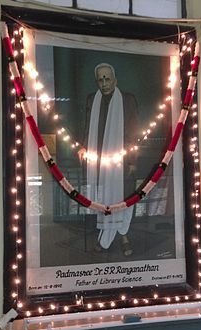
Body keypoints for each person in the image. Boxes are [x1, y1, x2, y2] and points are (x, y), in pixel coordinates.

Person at [79, 63, 138, 256]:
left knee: (123, 197)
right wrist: (84, 147)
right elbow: (88, 127)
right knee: (103, 197)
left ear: (115, 80)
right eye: (100, 79)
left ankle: (123, 236)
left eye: (107, 78)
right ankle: (105, 235)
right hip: (99, 161)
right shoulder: (92, 100)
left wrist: (132, 161)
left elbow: (133, 132)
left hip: (121, 161)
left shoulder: (128, 100)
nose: (104, 83)